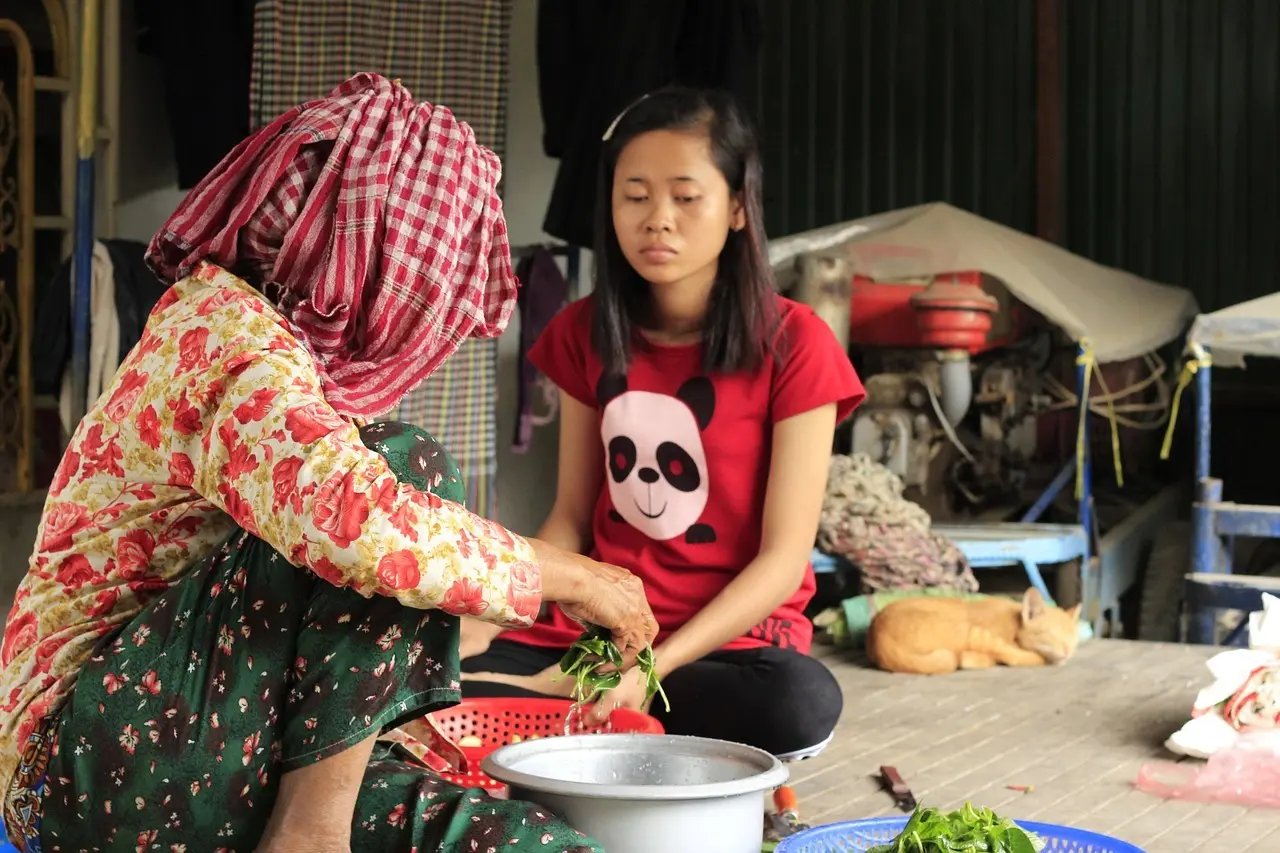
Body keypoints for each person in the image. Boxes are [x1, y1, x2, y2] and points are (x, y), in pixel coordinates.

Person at [0, 73, 657, 853]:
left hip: (226, 759)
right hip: (83, 770)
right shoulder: (224, 338)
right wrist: (575, 577)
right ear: (377, 265)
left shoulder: (288, 368)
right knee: (405, 471)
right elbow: (364, 526)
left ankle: (313, 820)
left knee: (530, 843)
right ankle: (311, 834)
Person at [461, 87, 865, 761]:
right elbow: (570, 518)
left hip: (732, 647)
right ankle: (580, 699)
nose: (658, 219)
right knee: (421, 649)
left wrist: (656, 666)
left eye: (685, 195)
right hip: (599, 632)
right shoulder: (585, 331)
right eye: (636, 194)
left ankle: (575, 704)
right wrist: (498, 603)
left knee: (800, 702)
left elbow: (783, 558)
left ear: (738, 206)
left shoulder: (798, 343)